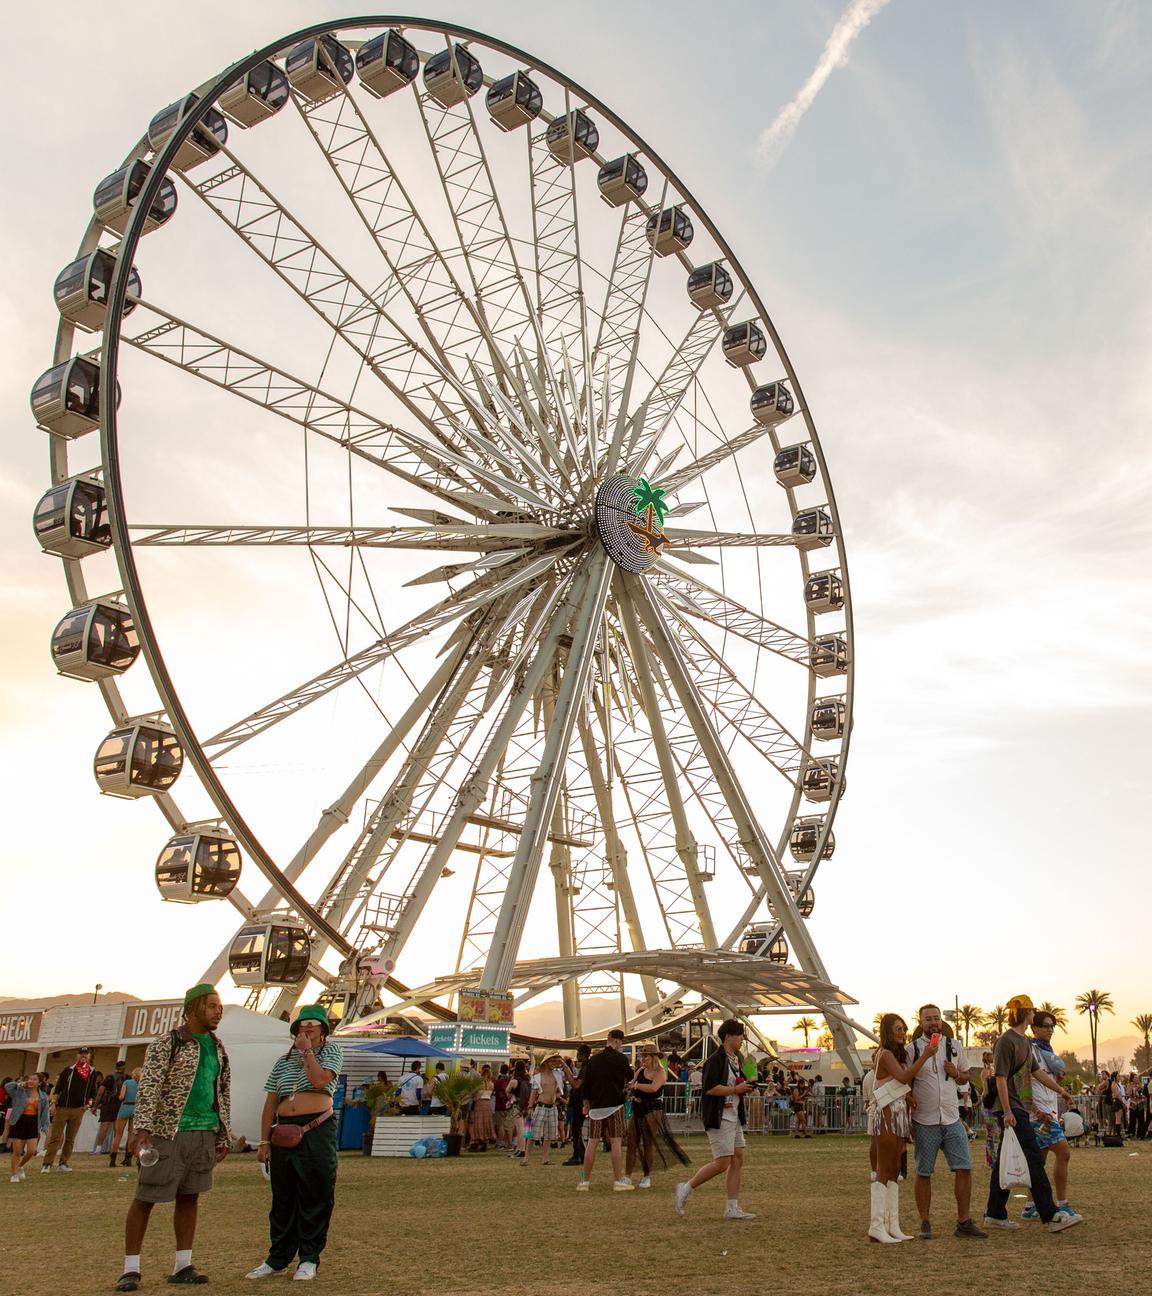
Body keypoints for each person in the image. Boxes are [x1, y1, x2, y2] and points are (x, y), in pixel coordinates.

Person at [115, 984, 233, 1292]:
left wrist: (223, 1133)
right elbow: (150, 1087)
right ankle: (131, 1268)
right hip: (168, 1131)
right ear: (192, 1008)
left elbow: (222, 1092)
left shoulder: (218, 1047)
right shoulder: (167, 1044)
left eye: (219, 1007)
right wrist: (142, 1130)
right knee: (146, 1197)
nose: (217, 1011)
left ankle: (183, 1264)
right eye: (211, 1006)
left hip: (204, 1130)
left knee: (190, 1196)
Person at [246, 1004, 343, 1282]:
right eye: (303, 1024)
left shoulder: (331, 1052)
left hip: (316, 1128)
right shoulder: (282, 1061)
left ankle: (309, 1258)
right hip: (283, 1133)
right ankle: (277, 1258)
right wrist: (264, 1141)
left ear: (323, 1030)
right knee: (283, 1198)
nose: (307, 1028)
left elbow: (319, 1080)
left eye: (314, 1024)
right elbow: (270, 1103)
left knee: (315, 1193)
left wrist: (307, 1052)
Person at [983, 994, 1081, 1236]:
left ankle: (994, 1214)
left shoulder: (1024, 1042)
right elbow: (1001, 1077)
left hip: (1018, 1107)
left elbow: (1037, 1073)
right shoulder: (1006, 1041)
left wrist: (1062, 1091)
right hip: (1012, 1108)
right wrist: (1007, 1111)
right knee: (1034, 1159)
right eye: (1031, 1010)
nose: (1033, 1013)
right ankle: (1050, 1214)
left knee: (1002, 1163)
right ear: (1024, 1013)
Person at [905, 1005, 986, 1240]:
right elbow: (907, 1078)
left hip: (951, 1118)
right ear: (920, 1023)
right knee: (924, 1171)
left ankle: (964, 1221)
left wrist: (956, 1073)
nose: (933, 1023)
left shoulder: (954, 1046)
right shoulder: (913, 1049)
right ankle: (925, 1222)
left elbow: (965, 1075)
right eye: (928, 1019)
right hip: (925, 1119)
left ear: (941, 1021)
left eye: (936, 1019)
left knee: (964, 1168)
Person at [866, 1014, 938, 1243]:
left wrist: (908, 1098)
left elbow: (899, 1082)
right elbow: (905, 1076)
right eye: (898, 1028)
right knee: (884, 1168)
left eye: (904, 1028)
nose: (902, 1032)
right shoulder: (885, 1054)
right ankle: (877, 1225)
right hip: (886, 1113)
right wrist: (926, 1055)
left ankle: (892, 1224)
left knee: (895, 1167)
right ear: (888, 1031)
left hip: (898, 1113)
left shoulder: (893, 1054)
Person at [674, 1019, 756, 1221]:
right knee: (722, 1162)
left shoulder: (735, 1059)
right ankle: (686, 1187)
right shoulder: (716, 1059)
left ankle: (732, 1207)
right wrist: (736, 1089)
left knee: (737, 1159)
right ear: (728, 1036)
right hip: (720, 1117)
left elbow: (736, 1083)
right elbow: (709, 1088)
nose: (741, 1039)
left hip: (733, 1115)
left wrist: (746, 1085)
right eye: (739, 1035)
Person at [1022, 1009, 1080, 1222]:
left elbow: (1047, 1082)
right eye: (1045, 1026)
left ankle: (1030, 1205)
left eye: (1052, 1026)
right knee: (1064, 1153)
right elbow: (1025, 1082)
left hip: (1050, 1111)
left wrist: (1061, 1089)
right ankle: (1063, 1204)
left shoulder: (1048, 1053)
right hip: (1039, 1115)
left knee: (1039, 1161)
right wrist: (1035, 1109)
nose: (1050, 1030)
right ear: (1034, 1028)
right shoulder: (1030, 1050)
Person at [577, 1029, 634, 1192]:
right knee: (616, 1141)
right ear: (617, 1041)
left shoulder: (593, 1060)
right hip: (615, 1104)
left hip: (595, 1106)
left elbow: (585, 1086)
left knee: (592, 1143)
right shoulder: (621, 1059)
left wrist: (586, 1104)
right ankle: (618, 1180)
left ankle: (584, 1181)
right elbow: (629, 1076)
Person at [627, 1045, 689, 1189]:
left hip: (652, 1109)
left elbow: (654, 1088)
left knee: (648, 1143)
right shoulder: (641, 1070)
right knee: (631, 1142)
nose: (643, 1059)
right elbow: (632, 1084)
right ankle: (627, 1176)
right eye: (642, 1056)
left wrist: (636, 1086)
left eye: (646, 1056)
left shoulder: (660, 1072)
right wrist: (632, 1086)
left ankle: (646, 1176)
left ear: (653, 1057)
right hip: (638, 1107)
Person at [43, 1045, 99, 1173]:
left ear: (89, 1056)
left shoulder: (92, 1072)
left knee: (70, 1138)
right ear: (77, 1055)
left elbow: (93, 1092)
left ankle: (63, 1162)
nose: (83, 1056)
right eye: (81, 1054)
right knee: (55, 1137)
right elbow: (58, 1089)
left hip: (78, 1109)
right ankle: (47, 1163)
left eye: (86, 1054)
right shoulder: (68, 1070)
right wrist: (53, 1103)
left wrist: (88, 1105)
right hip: (63, 1108)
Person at [4, 1073, 50, 1182]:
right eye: (29, 1079)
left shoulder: (43, 1096)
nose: (31, 1081)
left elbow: (45, 1112)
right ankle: (14, 1174)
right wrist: (20, 1083)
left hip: (33, 1122)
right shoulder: (20, 1091)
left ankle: (20, 1166)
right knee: (17, 1151)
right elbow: (7, 1087)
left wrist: (44, 1126)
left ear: (39, 1083)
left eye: (34, 1079)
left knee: (31, 1151)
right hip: (20, 1121)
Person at [523, 1053, 565, 1166]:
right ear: (546, 1063)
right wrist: (530, 1107)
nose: (554, 1063)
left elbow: (565, 1071)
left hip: (552, 1107)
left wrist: (562, 1062)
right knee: (532, 1134)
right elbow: (533, 1092)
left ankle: (545, 1158)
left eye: (554, 1061)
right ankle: (526, 1158)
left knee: (549, 1134)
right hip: (541, 1106)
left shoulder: (558, 1075)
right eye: (551, 1061)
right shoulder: (538, 1077)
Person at [563, 1044, 591, 1167]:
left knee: (576, 1129)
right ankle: (581, 1153)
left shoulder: (586, 1067)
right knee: (576, 1129)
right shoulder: (585, 1067)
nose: (577, 1056)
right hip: (579, 1102)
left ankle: (577, 1154)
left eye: (579, 1053)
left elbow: (576, 1085)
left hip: (580, 1102)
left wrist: (567, 1071)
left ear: (584, 1054)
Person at [97, 1062, 128, 1165]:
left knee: (104, 1126)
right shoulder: (127, 1078)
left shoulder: (109, 1077)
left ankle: (99, 1148)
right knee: (117, 1128)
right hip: (120, 1103)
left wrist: (95, 1105)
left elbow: (101, 1092)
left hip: (108, 1103)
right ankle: (114, 1148)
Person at [113, 1068, 141, 1168]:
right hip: (135, 1108)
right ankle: (128, 1159)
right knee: (131, 1134)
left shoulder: (127, 1082)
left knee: (118, 1135)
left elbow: (121, 1096)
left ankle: (113, 1160)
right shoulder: (142, 1084)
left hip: (125, 1107)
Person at [468, 1064, 496, 1152]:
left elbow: (473, 1094)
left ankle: (476, 1141)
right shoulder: (491, 1084)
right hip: (487, 1104)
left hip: (479, 1104)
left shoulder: (479, 1084)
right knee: (486, 1123)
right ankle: (485, 1142)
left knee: (477, 1123)